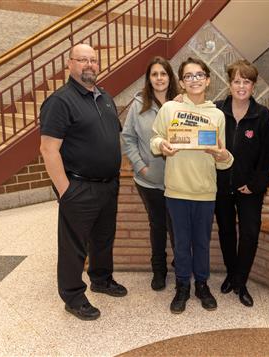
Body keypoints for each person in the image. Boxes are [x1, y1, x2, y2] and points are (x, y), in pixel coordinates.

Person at [40, 43, 127, 321]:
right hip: (78, 187)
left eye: (93, 60)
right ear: (70, 64)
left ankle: (101, 279)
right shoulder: (60, 101)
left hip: (108, 185)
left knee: (103, 239)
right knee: (74, 246)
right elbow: (48, 149)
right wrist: (66, 190)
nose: (89, 65)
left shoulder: (105, 97)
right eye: (82, 60)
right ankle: (73, 296)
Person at [150, 57, 234, 314]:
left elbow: (223, 158)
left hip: (205, 191)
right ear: (182, 83)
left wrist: (223, 156)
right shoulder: (169, 110)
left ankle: (202, 285)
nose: (194, 80)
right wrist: (160, 146)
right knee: (181, 242)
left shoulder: (217, 115)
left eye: (199, 75)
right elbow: (155, 139)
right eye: (188, 76)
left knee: (201, 242)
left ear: (208, 80)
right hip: (176, 189)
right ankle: (182, 286)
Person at [214, 60, 269, 307]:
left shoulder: (261, 115)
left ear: (253, 85)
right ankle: (231, 274)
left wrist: (254, 184)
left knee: (249, 232)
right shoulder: (217, 110)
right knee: (227, 232)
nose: (241, 86)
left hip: (250, 189)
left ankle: (241, 280)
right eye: (237, 81)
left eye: (247, 81)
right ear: (229, 84)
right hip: (221, 186)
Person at [122, 56, 178, 291]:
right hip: (149, 180)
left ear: (169, 77)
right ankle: (159, 270)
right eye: (154, 74)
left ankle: (182, 265)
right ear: (149, 79)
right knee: (157, 226)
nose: (159, 78)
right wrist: (140, 165)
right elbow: (128, 138)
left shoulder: (180, 103)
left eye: (163, 74)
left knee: (177, 226)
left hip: (178, 180)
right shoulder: (138, 105)